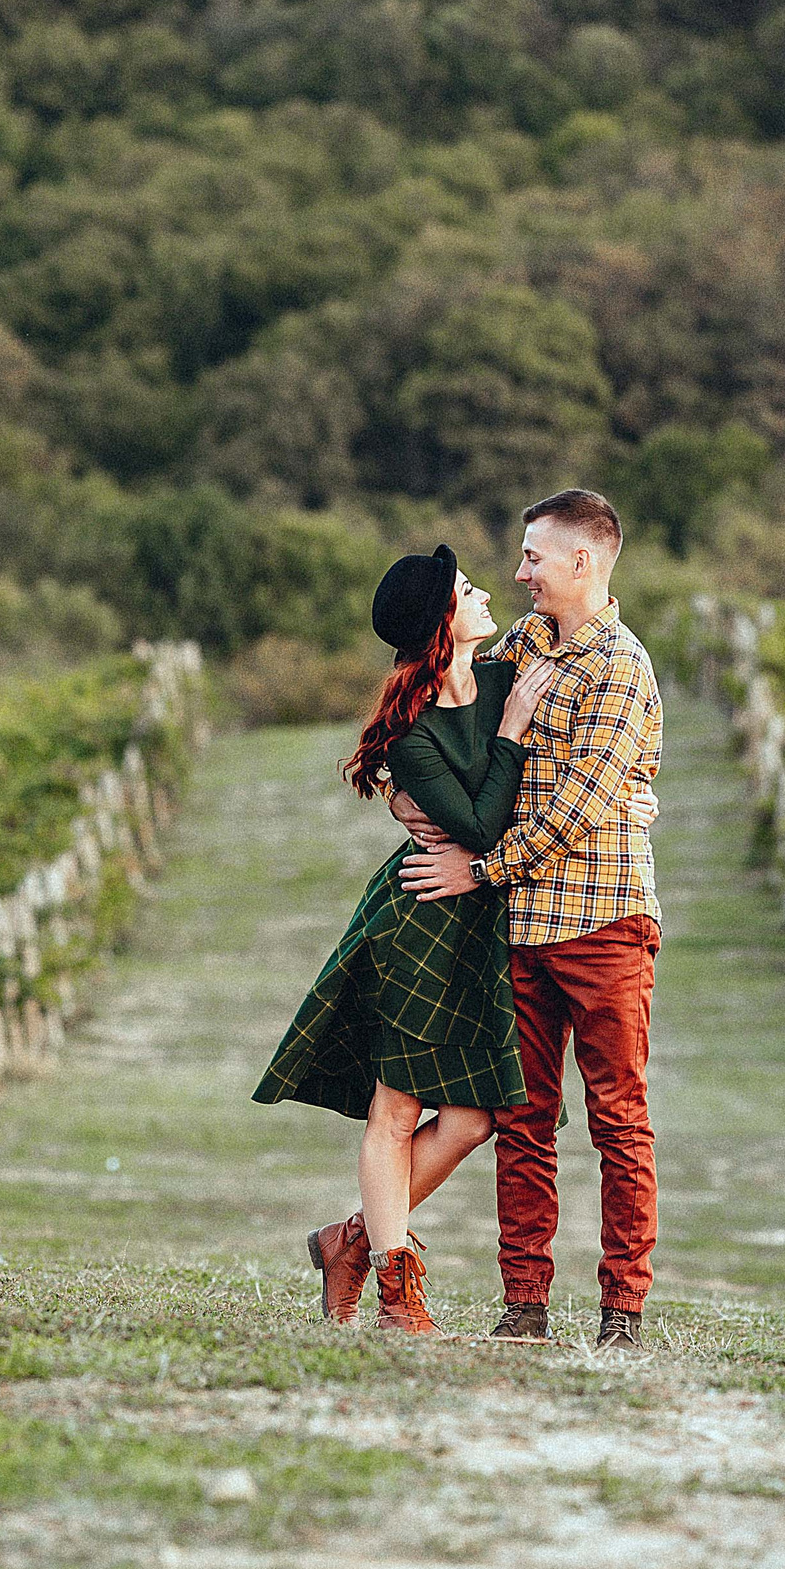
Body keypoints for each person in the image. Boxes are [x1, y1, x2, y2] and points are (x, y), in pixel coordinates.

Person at [252, 545, 557, 1334]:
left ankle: (349, 1239)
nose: (486, 592)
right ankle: (397, 1291)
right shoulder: (410, 737)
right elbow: (481, 824)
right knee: (396, 1107)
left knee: (475, 1117)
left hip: (483, 927)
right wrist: (514, 734)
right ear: (441, 623)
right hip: (420, 921)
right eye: (466, 589)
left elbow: (491, 829)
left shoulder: (500, 678)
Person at [396, 489, 665, 1350]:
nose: (519, 573)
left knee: (618, 1118)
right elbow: (455, 737)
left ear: (581, 562)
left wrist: (479, 867)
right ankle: (526, 1303)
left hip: (604, 921)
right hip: (521, 926)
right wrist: (405, 790)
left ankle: (622, 1309)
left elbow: (579, 809)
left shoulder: (621, 666)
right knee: (525, 1119)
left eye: (533, 558)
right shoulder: (517, 646)